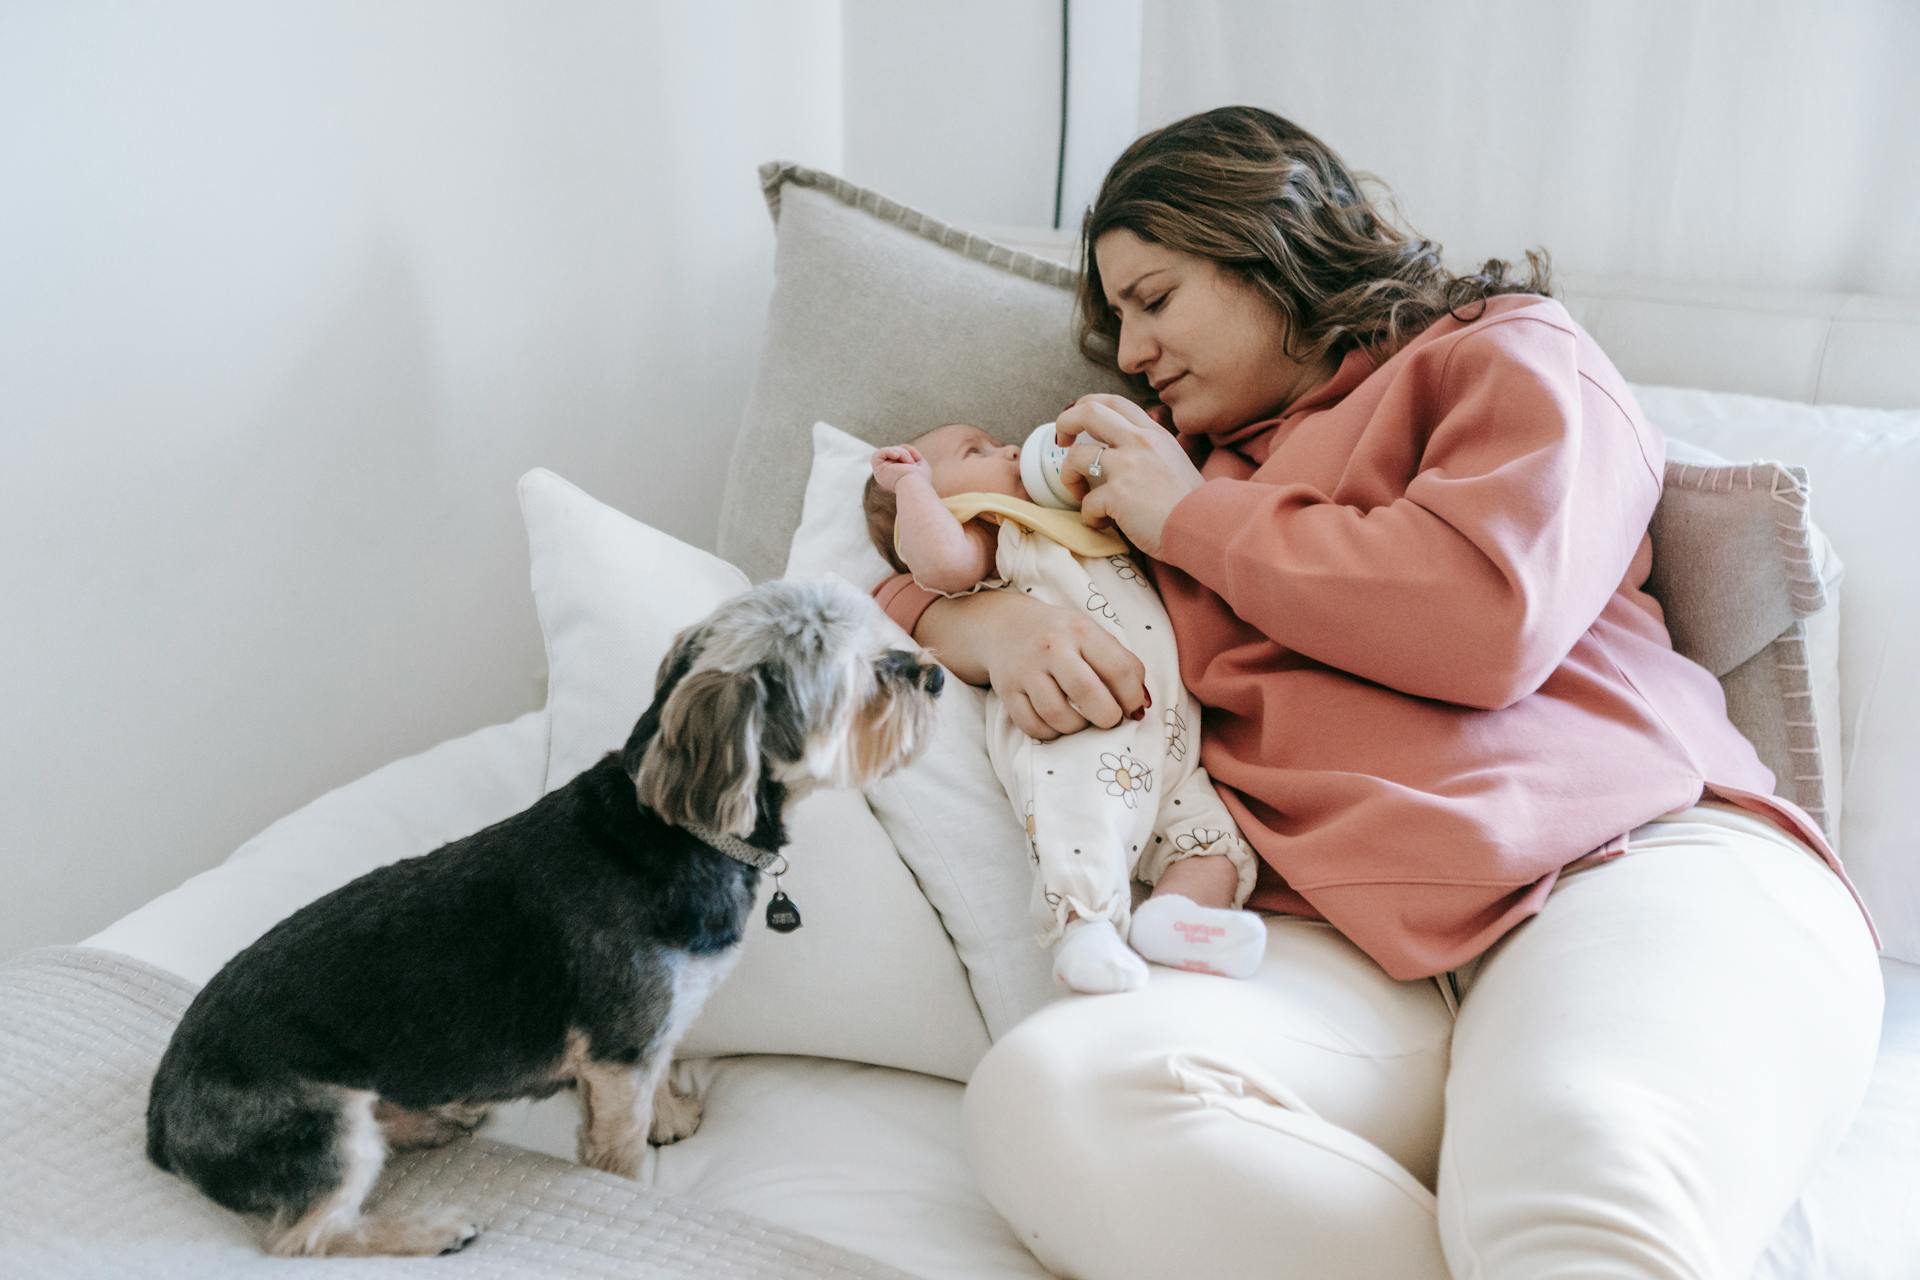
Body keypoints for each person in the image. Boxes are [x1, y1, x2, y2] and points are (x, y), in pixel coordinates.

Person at [871, 106, 1883, 1279]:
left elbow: (1487, 618)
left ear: (1269, 241)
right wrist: (978, 621)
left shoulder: (1498, 354)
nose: (1133, 354)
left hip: (1629, 860)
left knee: (1576, 1173)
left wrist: (1192, 519)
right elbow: (914, 562)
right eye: (1118, 328)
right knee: (1054, 1096)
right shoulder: (1158, 475)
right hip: (1347, 948)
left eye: (1154, 299)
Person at [864, 422, 1268, 993]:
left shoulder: (1076, 522)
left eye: (997, 442)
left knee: (1210, 837)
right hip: (1081, 722)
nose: (1006, 448)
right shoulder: (994, 536)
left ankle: (1173, 919)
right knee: (1080, 820)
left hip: (1173, 745)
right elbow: (940, 566)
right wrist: (909, 488)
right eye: (973, 451)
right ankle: (1082, 930)